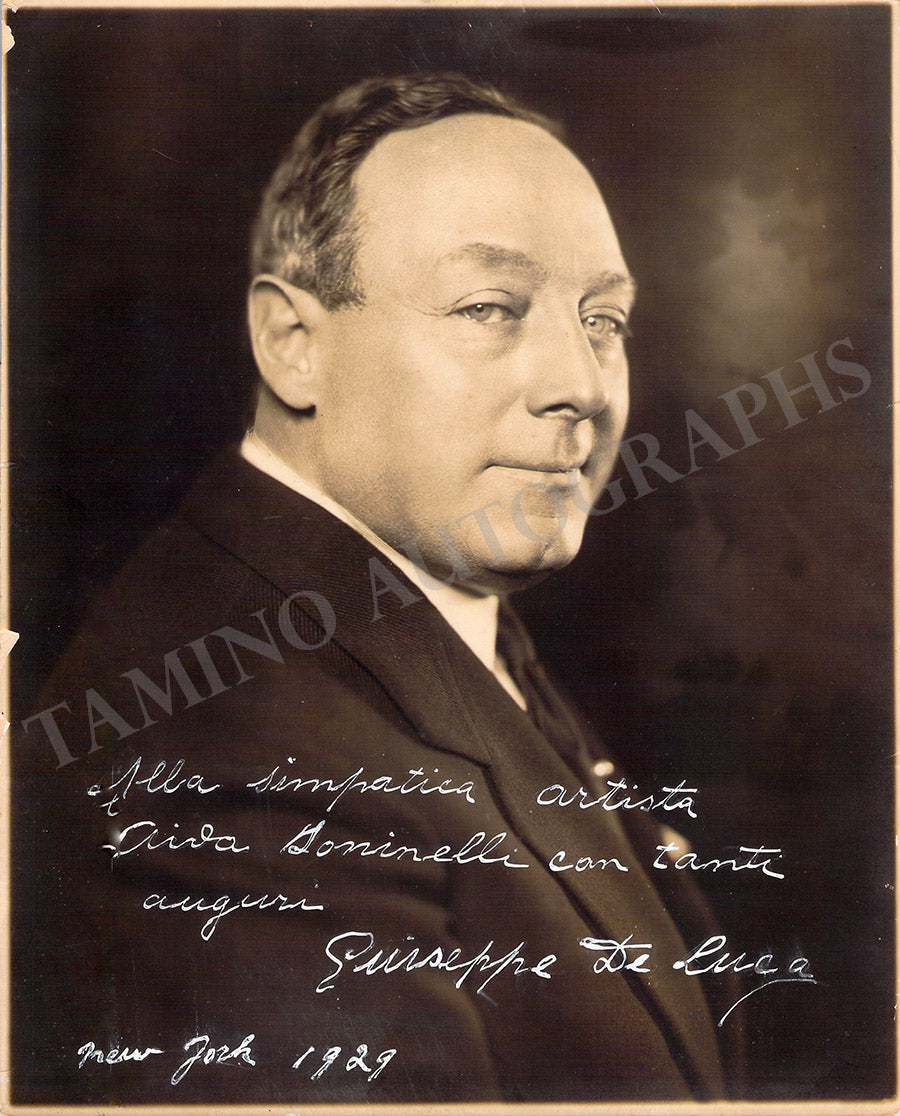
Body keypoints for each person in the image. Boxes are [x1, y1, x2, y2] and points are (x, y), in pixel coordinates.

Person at [12, 72, 741, 1104]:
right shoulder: (236, 764)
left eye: (604, 320)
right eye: (489, 308)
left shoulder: (417, 602)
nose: (581, 384)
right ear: (294, 347)